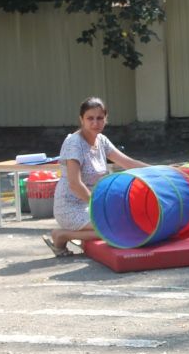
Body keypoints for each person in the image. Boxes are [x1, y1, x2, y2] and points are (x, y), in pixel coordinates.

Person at [43, 97, 148, 257]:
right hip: (70, 207)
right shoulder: (74, 143)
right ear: (81, 119)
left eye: (99, 118)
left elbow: (128, 163)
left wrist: (161, 169)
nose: (95, 123)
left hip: (91, 204)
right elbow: (74, 184)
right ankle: (62, 235)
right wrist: (99, 207)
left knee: (125, 223)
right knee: (116, 229)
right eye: (90, 118)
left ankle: (71, 235)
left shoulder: (102, 140)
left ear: (106, 119)